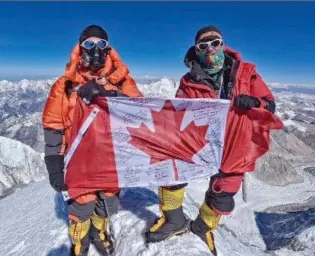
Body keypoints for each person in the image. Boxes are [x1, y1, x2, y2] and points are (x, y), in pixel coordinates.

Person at [145, 25, 279, 255]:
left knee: (223, 194)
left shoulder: (246, 73)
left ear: (223, 44)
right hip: (200, 141)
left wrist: (254, 103)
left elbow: (269, 102)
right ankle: (174, 221)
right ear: (196, 50)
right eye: (203, 46)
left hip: (235, 141)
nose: (210, 50)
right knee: (172, 173)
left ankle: (203, 228)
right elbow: (181, 112)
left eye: (215, 43)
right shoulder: (189, 81)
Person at [42, 24, 143, 256]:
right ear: (80, 48)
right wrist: (54, 165)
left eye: (101, 44)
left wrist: (112, 96)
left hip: (112, 160)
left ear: (109, 50)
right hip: (78, 160)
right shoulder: (65, 85)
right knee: (81, 206)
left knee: (108, 204)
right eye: (89, 44)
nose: (95, 49)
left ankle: (99, 232)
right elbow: (54, 126)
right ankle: (80, 242)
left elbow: (139, 111)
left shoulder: (121, 81)